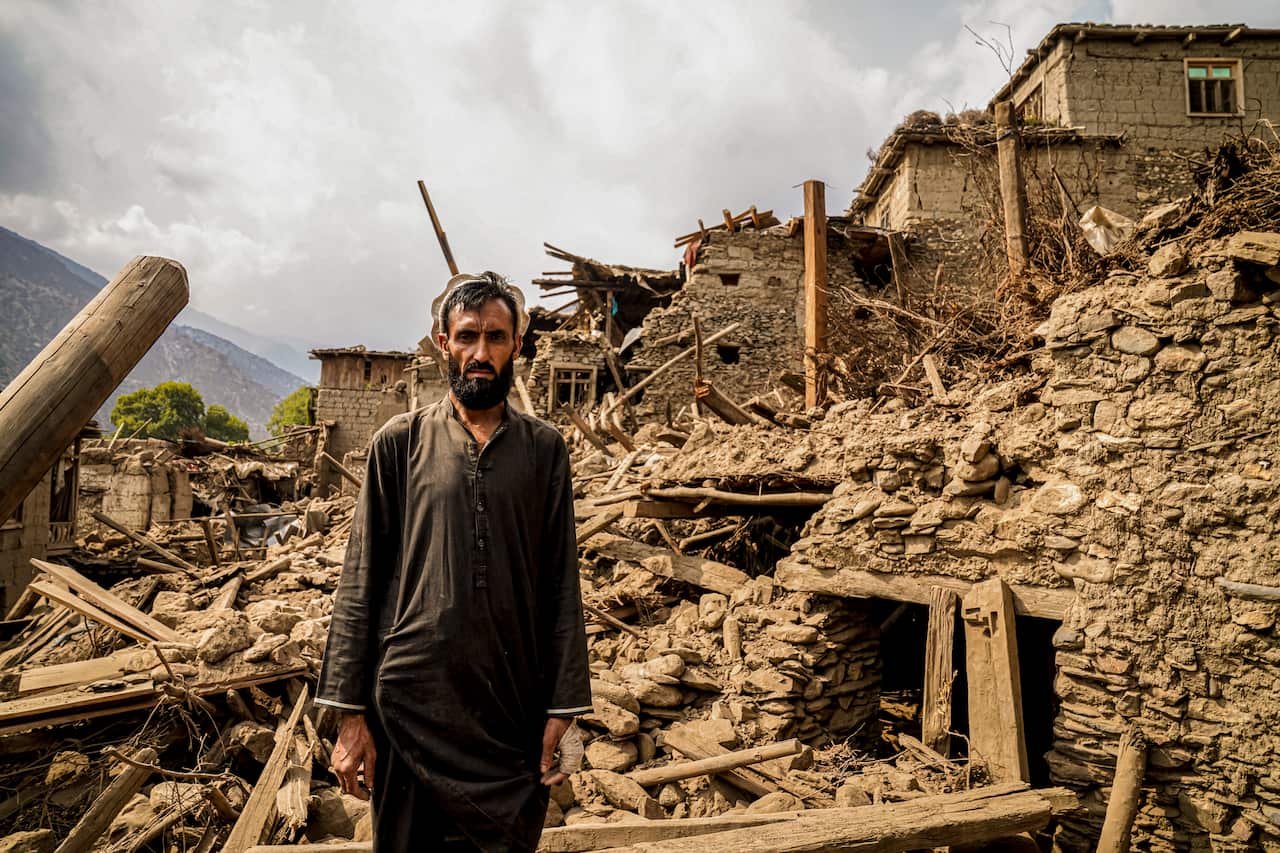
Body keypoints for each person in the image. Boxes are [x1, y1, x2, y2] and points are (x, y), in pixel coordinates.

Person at [315, 272, 591, 851]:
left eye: (495, 337)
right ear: (444, 343)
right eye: (467, 337)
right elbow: (360, 579)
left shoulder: (544, 451)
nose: (481, 354)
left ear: (517, 344)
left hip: (510, 718)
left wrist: (565, 707)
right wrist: (349, 714)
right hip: (410, 712)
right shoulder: (400, 442)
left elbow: (561, 584)